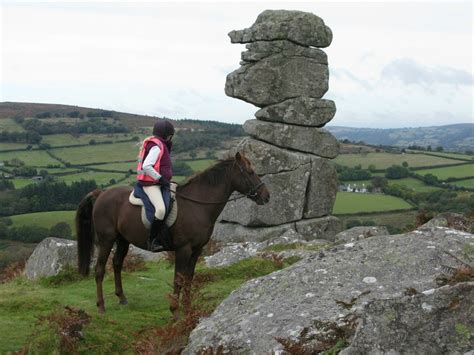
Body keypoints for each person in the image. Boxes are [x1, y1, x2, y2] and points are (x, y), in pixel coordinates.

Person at [136, 120, 175, 252]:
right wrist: (160, 178)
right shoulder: (157, 146)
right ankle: (152, 241)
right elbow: (147, 166)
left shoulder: (160, 144)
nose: (171, 138)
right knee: (160, 210)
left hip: (159, 183)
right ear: (167, 135)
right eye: (170, 135)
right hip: (151, 184)